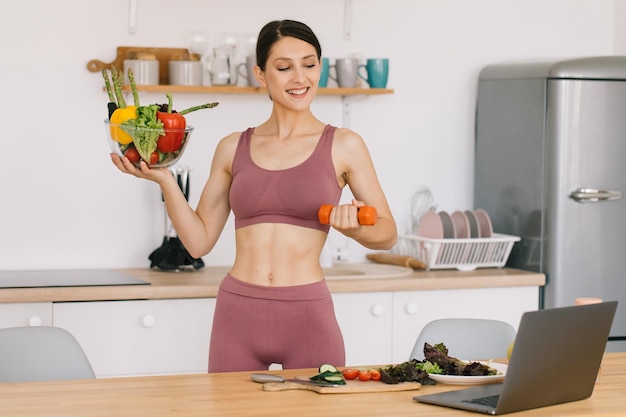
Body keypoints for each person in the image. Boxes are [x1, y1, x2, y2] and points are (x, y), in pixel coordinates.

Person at [110, 19, 397, 372]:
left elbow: (387, 234)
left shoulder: (344, 145)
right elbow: (198, 243)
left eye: (309, 65)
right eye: (284, 67)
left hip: (308, 316)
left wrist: (355, 229)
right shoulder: (232, 147)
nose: (299, 78)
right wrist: (167, 182)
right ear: (260, 75)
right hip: (238, 314)